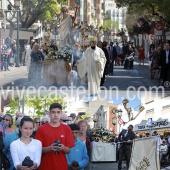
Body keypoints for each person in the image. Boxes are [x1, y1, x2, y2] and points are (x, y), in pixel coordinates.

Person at [35, 103, 74, 170]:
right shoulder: (41, 129)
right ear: (49, 113)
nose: (56, 115)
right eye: (53, 112)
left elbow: (68, 150)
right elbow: (37, 149)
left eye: (58, 112)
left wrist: (63, 148)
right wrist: (50, 148)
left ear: (61, 113)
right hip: (45, 166)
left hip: (61, 166)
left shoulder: (67, 128)